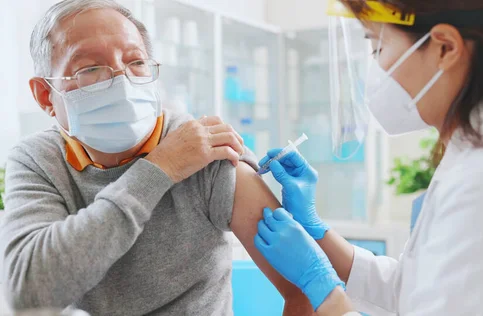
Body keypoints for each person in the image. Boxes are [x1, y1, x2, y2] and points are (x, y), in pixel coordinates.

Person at [254, 0, 483, 315]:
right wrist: (318, 235)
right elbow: (412, 290)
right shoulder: (477, 157)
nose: (375, 69)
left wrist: (326, 293)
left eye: (379, 46)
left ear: (445, 48)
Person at [0, 0, 313, 315]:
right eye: (90, 68)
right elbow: (27, 292)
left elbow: (309, 291)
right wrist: (160, 168)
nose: (121, 83)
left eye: (136, 62)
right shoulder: (39, 160)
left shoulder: (208, 154)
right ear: (45, 96)